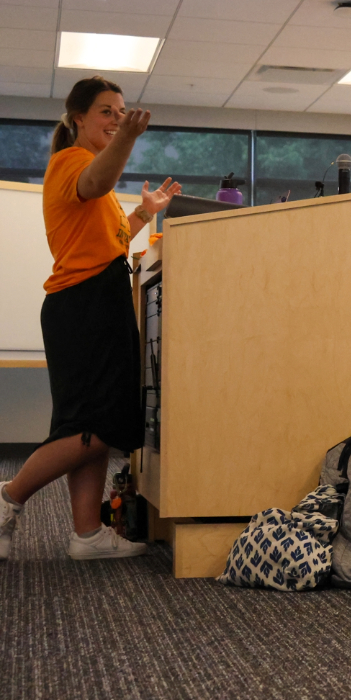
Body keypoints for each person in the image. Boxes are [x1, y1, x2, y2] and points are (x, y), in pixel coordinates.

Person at [0, 76, 182, 562]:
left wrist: (144, 215)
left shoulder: (88, 172)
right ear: (78, 118)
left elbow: (110, 240)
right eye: (106, 111)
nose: (116, 119)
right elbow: (98, 182)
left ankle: (87, 533)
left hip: (94, 300)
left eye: (120, 111)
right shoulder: (71, 163)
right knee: (96, 423)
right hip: (83, 305)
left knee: (91, 424)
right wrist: (128, 137)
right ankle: (7, 497)